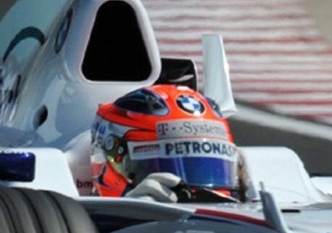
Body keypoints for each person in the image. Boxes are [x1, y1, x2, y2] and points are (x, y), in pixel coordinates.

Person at [82, 84, 243, 202]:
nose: (191, 194)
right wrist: (128, 216)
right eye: (160, 166)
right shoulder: (76, 231)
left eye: (210, 168)